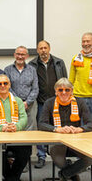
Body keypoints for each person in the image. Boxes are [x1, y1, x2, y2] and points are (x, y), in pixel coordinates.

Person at [38, 78, 92, 181]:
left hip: (76, 141)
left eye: (67, 90)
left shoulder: (80, 102)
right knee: (59, 161)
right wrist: (56, 129)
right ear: (55, 91)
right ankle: (71, 172)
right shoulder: (49, 103)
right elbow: (41, 124)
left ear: (72, 91)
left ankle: (65, 174)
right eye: (60, 90)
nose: (64, 93)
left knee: (90, 159)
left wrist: (81, 129)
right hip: (57, 141)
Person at [29, 40, 67, 168]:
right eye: (40, 48)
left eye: (45, 48)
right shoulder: (32, 64)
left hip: (58, 102)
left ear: (49, 48)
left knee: (58, 127)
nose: (43, 50)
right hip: (41, 102)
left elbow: (65, 82)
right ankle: (41, 156)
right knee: (41, 129)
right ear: (37, 50)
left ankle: (59, 155)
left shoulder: (59, 62)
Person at [4, 46, 38, 131]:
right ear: (14, 55)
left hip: (30, 104)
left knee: (31, 128)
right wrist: (18, 102)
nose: (20, 56)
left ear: (27, 56)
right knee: (15, 127)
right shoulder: (8, 69)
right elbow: (7, 87)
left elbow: (35, 88)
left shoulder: (32, 70)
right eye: (18, 54)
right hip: (13, 103)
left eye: (23, 54)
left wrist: (27, 102)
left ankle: (30, 144)